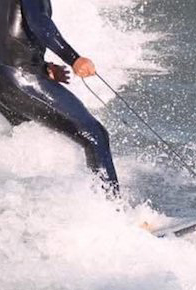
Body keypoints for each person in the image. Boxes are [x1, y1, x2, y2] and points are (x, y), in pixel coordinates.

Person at [0, 0, 118, 194]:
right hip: (21, 78)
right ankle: (114, 211)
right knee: (95, 136)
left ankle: (34, 213)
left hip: (5, 81)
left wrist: (42, 66)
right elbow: (39, 22)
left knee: (28, 142)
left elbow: (8, 36)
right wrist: (73, 58)